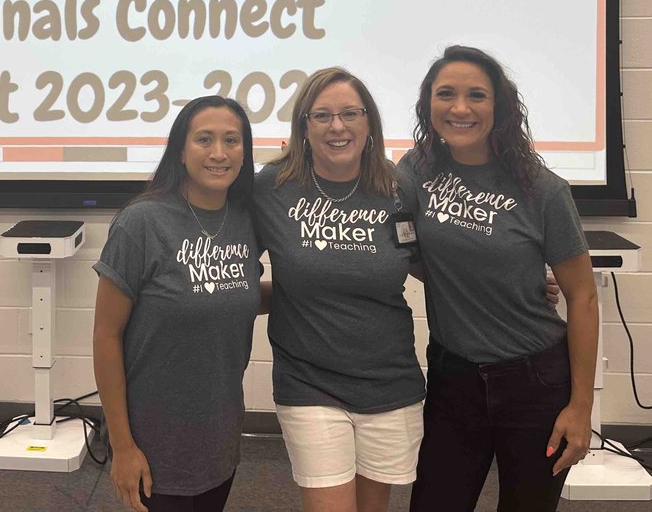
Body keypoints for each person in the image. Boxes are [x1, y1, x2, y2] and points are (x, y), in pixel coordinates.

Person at [399, 45, 598, 512]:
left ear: (500, 106)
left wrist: (581, 408)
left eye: (477, 96)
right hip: (454, 379)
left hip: (535, 383)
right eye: (446, 93)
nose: (460, 108)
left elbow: (583, 296)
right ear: (429, 104)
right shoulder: (416, 170)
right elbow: (404, 250)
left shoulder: (542, 188)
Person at [253, 67, 424, 512]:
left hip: (390, 381)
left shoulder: (398, 187)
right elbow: (229, 259)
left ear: (369, 123)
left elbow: (432, 264)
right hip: (308, 381)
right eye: (322, 115)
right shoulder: (270, 187)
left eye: (350, 113)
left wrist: (516, 284)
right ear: (303, 126)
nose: (337, 126)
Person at [93, 95, 263, 512]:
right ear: (181, 151)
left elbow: (231, 293)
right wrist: (122, 445)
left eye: (232, 140)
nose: (219, 153)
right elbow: (106, 335)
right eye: (204, 139)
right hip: (152, 444)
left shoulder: (246, 220)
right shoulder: (142, 222)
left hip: (218, 438)